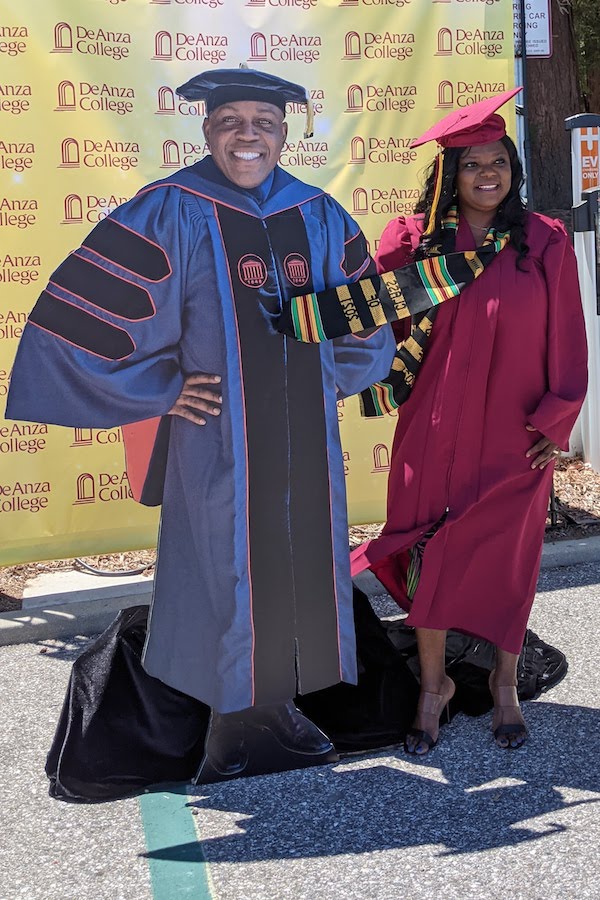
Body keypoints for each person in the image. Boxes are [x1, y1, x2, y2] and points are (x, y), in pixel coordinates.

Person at [5, 67, 396, 783]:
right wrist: (163, 386)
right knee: (223, 565)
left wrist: (322, 380)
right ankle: (228, 721)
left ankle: (273, 707)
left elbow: (363, 319)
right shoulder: (169, 210)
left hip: (303, 438)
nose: (248, 134)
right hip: (219, 437)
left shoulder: (319, 214)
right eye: (231, 119)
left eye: (264, 121)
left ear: (285, 131)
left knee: (301, 561)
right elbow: (81, 319)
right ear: (206, 127)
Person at [348, 89, 588, 753]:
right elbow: (371, 317)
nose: (488, 173)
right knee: (427, 553)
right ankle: (435, 686)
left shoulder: (543, 241)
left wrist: (555, 421)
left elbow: (567, 336)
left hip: (514, 437)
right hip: (432, 431)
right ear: (449, 177)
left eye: (499, 162)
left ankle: (506, 683)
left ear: (513, 170)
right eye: (472, 164)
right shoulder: (417, 242)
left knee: (510, 562)